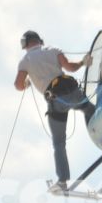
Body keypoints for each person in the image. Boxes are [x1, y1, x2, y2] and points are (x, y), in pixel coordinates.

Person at [13, 31, 92, 190]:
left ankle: (62, 181)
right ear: (39, 40)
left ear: (25, 44)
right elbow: (70, 67)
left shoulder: (25, 61)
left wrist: (27, 84)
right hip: (72, 93)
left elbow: (18, 85)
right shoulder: (52, 50)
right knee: (90, 110)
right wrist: (83, 63)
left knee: (59, 143)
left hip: (56, 102)